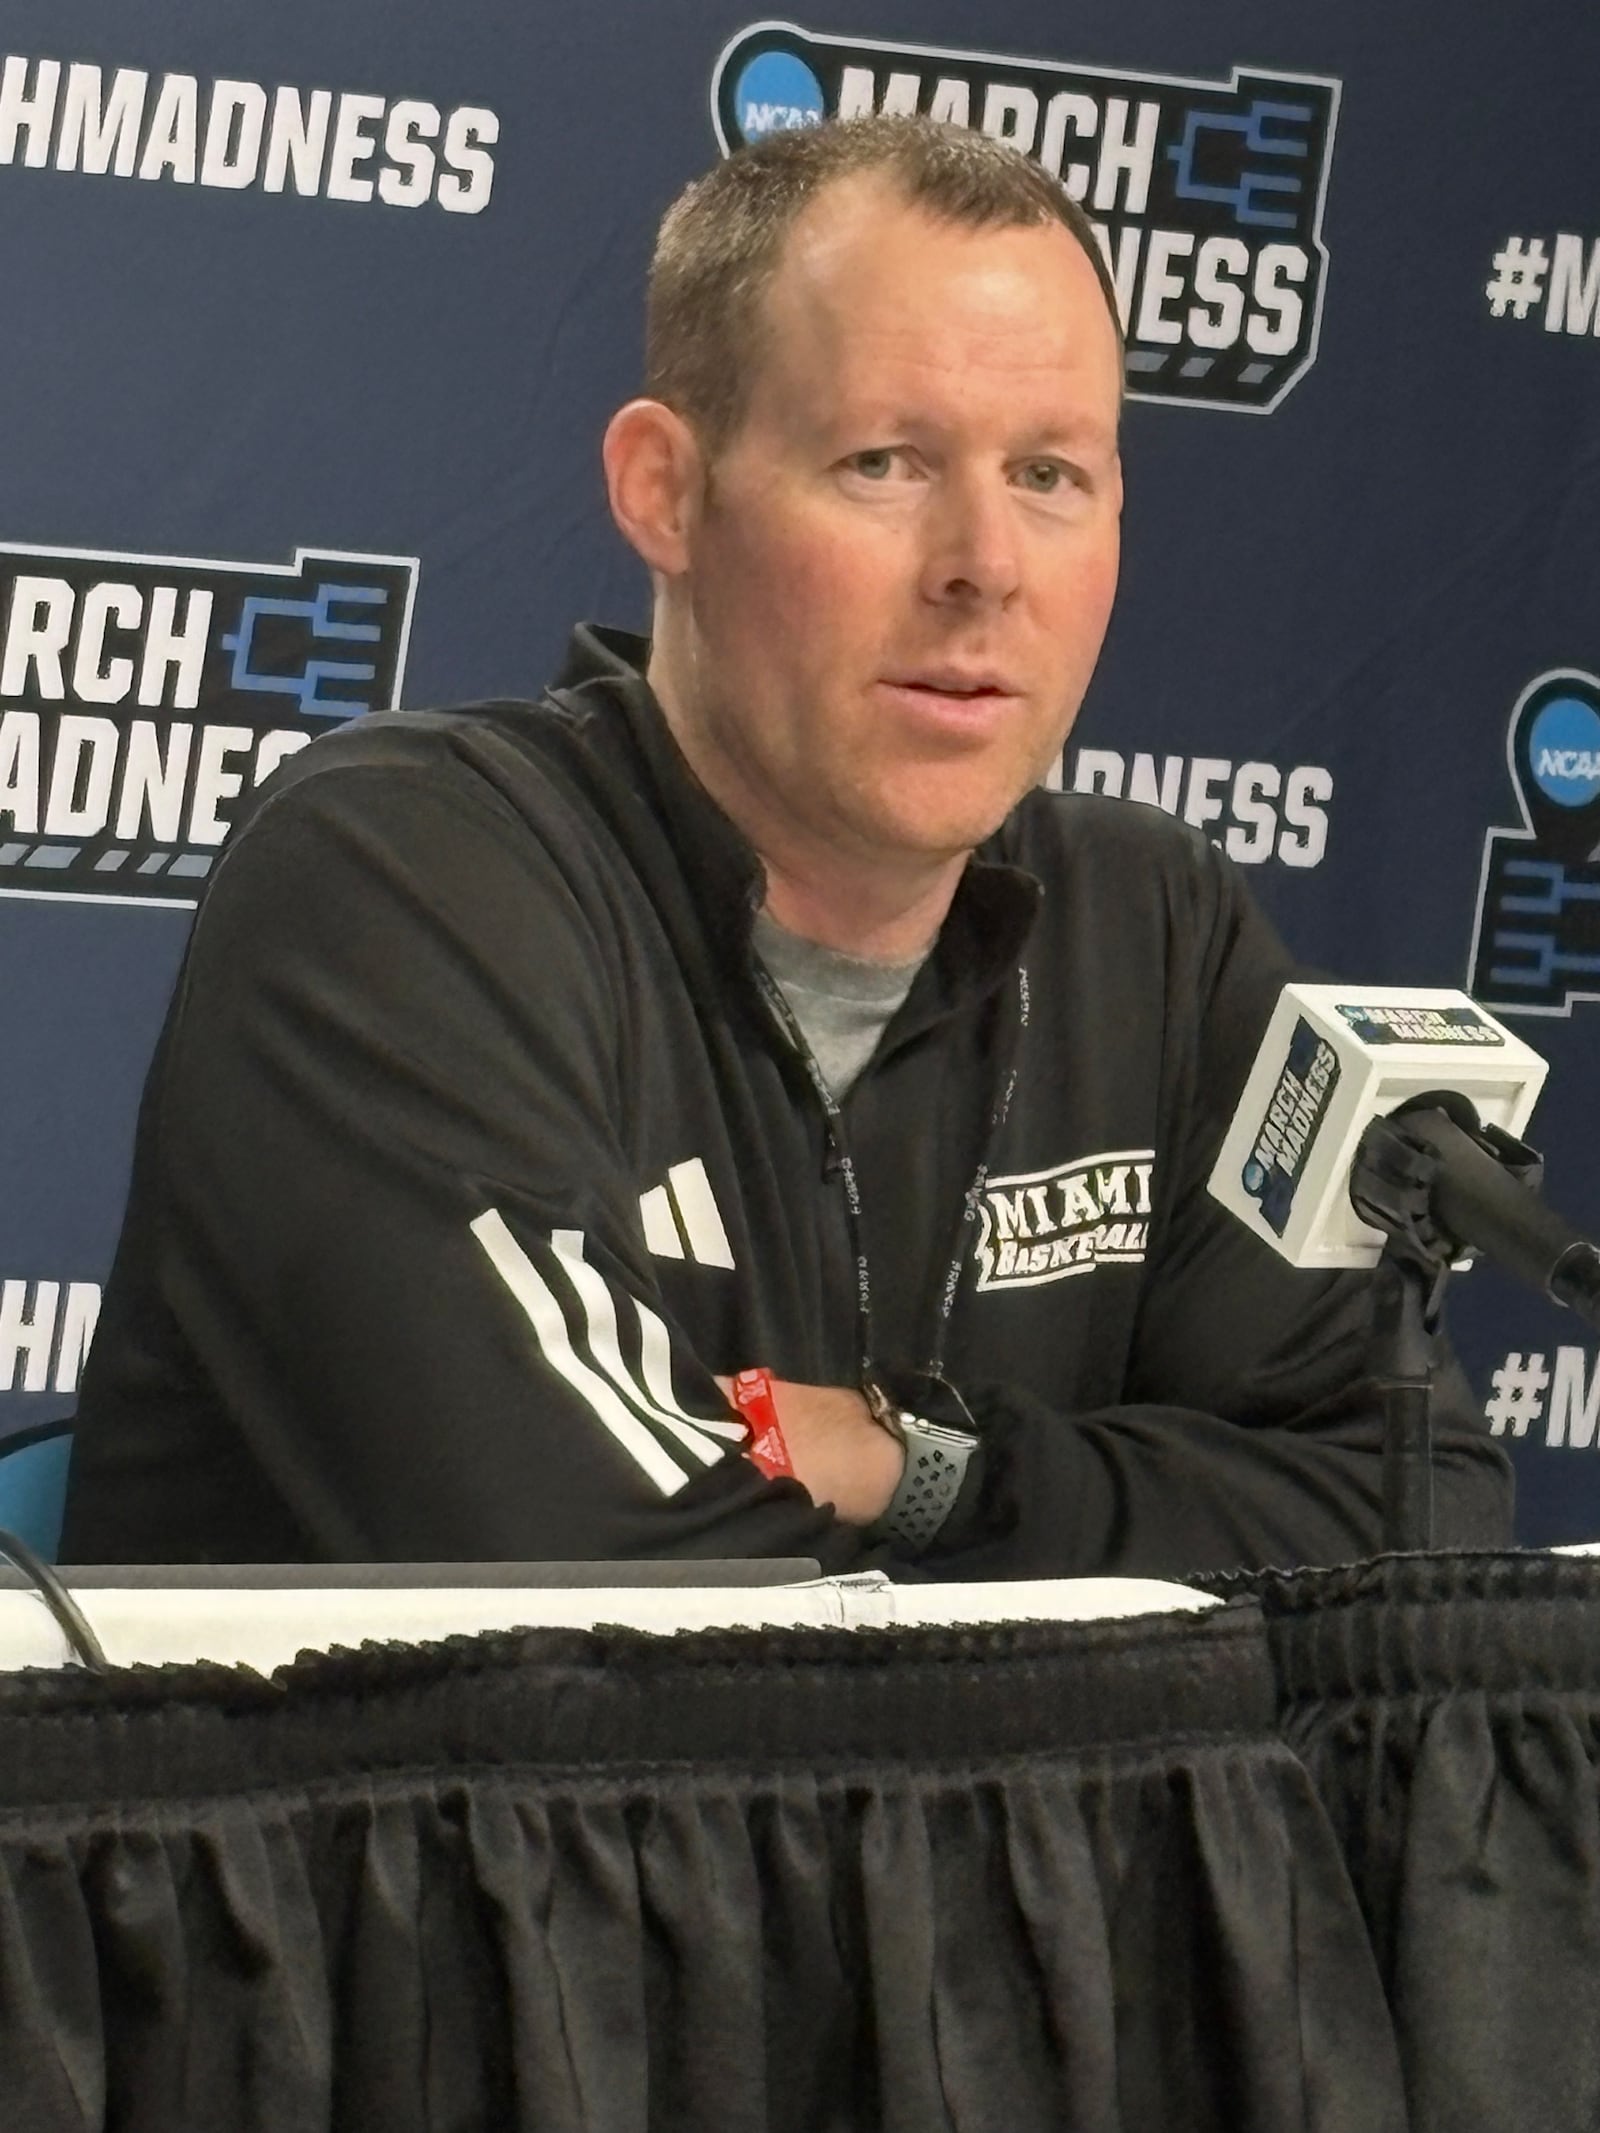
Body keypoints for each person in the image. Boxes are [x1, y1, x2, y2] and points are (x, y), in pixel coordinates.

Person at [60, 117, 1510, 1571]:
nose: (984, 566)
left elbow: (1418, 1514)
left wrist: (913, 1464)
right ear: (664, 491)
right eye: (885, 461)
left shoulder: (1156, 928)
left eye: (1051, 475)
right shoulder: (400, 880)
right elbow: (596, 1581)